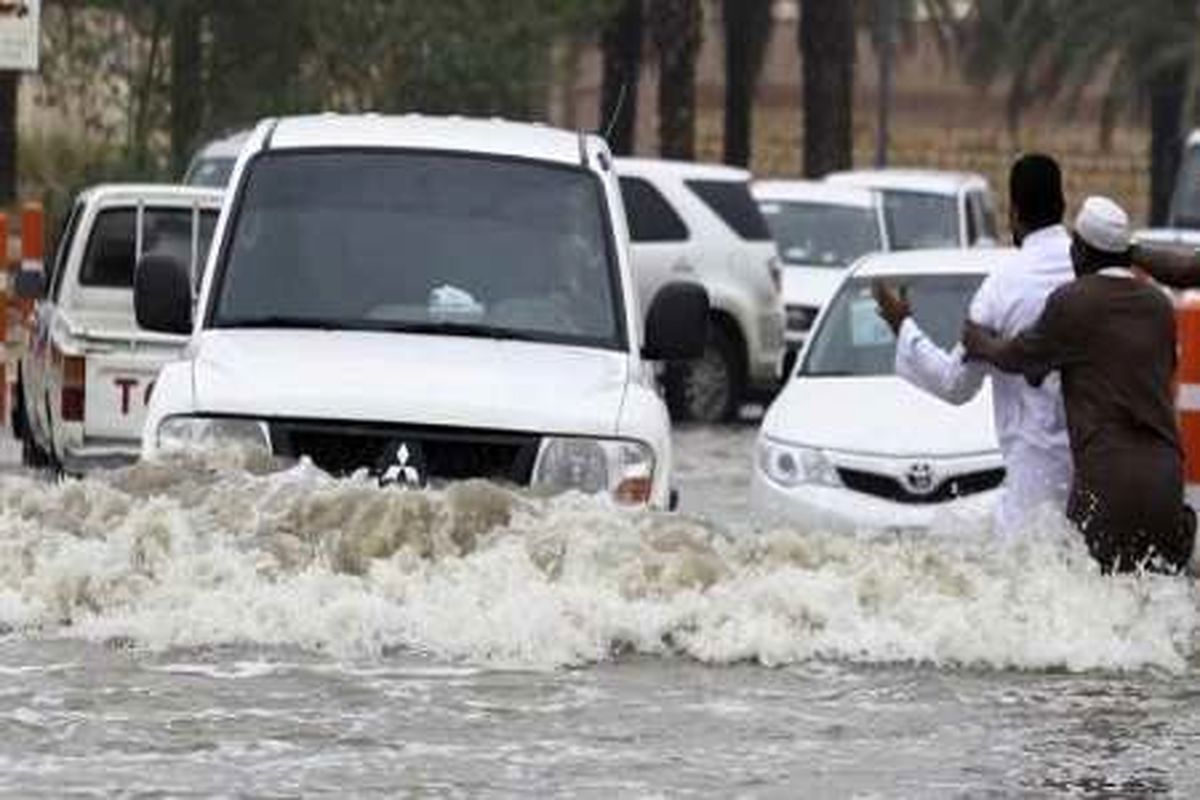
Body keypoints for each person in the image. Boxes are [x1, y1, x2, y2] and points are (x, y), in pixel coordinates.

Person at [962, 197, 1195, 574]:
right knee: (1158, 601)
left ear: (1081, 250)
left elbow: (1019, 358)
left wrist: (980, 343)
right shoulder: (1158, 305)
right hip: (1165, 484)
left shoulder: (1072, 302)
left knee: (1094, 604)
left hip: (1106, 484)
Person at [872, 154, 1074, 537]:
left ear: (1014, 212)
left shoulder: (1002, 286)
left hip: (1033, 486)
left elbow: (954, 384)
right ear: (1062, 206)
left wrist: (903, 326)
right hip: (1100, 477)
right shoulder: (1088, 270)